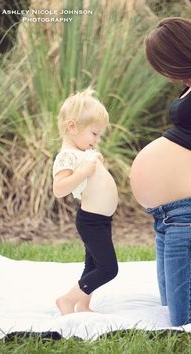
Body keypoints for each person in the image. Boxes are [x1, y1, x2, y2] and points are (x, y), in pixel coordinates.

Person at [130, 17, 191, 326]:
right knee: (172, 301)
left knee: (188, 315)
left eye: (167, 67)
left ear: (181, 53)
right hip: (171, 214)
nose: (169, 77)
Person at [52, 88, 118, 315]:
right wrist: (82, 171)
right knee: (108, 268)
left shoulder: (82, 153)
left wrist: (93, 160)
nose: (97, 140)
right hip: (91, 220)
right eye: (94, 134)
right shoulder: (67, 156)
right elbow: (59, 189)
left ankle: (83, 304)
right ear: (72, 127)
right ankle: (67, 300)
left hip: (101, 219)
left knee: (93, 264)